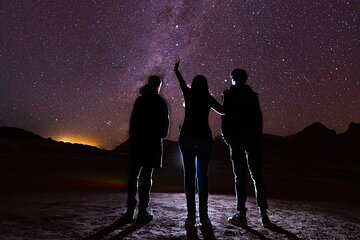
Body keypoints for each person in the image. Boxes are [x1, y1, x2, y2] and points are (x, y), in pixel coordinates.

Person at [174, 61, 224, 227]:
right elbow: (223, 110)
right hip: (204, 139)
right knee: (202, 175)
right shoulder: (208, 98)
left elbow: (181, 82)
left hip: (187, 137)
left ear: (194, 84)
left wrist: (177, 70)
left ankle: (190, 217)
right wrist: (226, 98)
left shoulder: (189, 94)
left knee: (189, 175)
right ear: (206, 85)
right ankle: (204, 216)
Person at [221, 68, 270, 227]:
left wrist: (228, 138)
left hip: (237, 140)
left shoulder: (229, 94)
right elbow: (258, 118)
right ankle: (264, 215)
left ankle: (241, 214)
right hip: (251, 140)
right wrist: (256, 138)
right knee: (257, 176)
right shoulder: (252, 96)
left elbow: (225, 118)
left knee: (239, 177)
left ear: (233, 78)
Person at [124, 75, 169, 223]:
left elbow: (132, 124)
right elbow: (164, 132)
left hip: (137, 143)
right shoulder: (161, 103)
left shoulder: (140, 100)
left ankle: (130, 210)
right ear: (158, 86)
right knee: (146, 177)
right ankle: (142, 211)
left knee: (133, 176)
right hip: (152, 145)